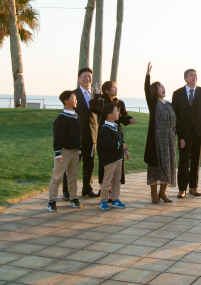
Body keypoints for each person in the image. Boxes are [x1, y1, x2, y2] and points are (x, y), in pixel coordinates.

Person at [171, 69, 201, 198]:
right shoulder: (177, 93)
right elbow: (174, 114)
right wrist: (177, 133)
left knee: (196, 159)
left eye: (195, 75)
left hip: (199, 131)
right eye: (191, 75)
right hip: (183, 132)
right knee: (184, 160)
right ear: (185, 78)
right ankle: (182, 189)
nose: (194, 77)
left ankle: (194, 187)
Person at [62, 67, 104, 200]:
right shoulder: (72, 95)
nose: (87, 79)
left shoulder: (96, 93)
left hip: (92, 134)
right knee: (71, 164)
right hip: (76, 136)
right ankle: (67, 191)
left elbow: (98, 111)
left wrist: (97, 97)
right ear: (79, 79)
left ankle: (87, 188)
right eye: (84, 76)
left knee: (89, 163)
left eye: (89, 76)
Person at [96, 80, 135, 203]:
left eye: (116, 87)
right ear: (106, 90)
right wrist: (97, 96)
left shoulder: (120, 103)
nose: (116, 89)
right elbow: (94, 109)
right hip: (105, 135)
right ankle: (104, 191)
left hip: (117, 133)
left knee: (117, 166)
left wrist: (129, 120)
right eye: (113, 87)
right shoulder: (102, 102)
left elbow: (123, 117)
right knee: (106, 164)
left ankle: (113, 194)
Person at [144, 62, 177, 203]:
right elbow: (146, 90)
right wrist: (147, 76)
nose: (163, 88)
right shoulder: (153, 103)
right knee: (155, 166)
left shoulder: (168, 104)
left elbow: (174, 122)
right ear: (154, 90)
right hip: (157, 139)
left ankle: (162, 192)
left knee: (168, 166)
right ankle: (153, 194)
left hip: (169, 140)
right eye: (160, 87)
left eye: (163, 86)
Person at [47, 91, 82, 212]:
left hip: (75, 151)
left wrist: (79, 148)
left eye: (76, 98)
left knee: (73, 176)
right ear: (66, 102)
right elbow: (58, 136)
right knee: (57, 176)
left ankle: (73, 198)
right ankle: (52, 201)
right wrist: (58, 153)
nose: (76, 100)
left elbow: (79, 135)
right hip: (64, 151)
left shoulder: (76, 116)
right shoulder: (61, 118)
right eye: (74, 98)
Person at [97, 102, 129, 211]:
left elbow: (121, 140)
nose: (118, 113)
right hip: (109, 159)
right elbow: (107, 143)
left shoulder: (116, 126)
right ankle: (103, 200)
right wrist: (121, 145)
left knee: (117, 180)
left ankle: (115, 199)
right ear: (109, 115)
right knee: (107, 181)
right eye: (116, 111)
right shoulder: (104, 128)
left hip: (118, 157)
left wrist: (125, 150)